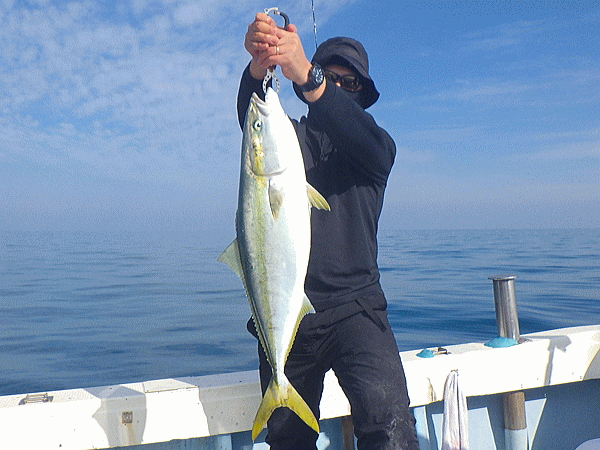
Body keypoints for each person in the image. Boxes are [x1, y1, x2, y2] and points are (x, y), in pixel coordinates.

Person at [237, 12, 420, 450]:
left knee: (391, 432)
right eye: (328, 76)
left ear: (361, 94)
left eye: (347, 82)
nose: (336, 86)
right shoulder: (289, 141)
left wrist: (311, 76)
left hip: (358, 310)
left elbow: (362, 137)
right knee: (288, 442)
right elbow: (254, 123)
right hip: (289, 316)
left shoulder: (375, 148)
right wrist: (258, 68)